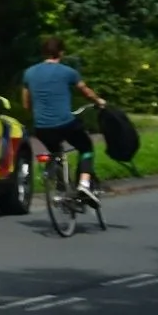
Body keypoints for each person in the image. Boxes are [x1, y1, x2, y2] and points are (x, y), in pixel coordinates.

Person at [21, 37, 106, 203]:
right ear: (61, 53)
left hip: (41, 127)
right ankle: (83, 184)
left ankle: (61, 187)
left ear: (43, 53)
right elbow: (86, 92)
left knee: (56, 152)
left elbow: (26, 104)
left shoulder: (29, 73)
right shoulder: (68, 72)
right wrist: (99, 102)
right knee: (86, 147)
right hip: (65, 123)